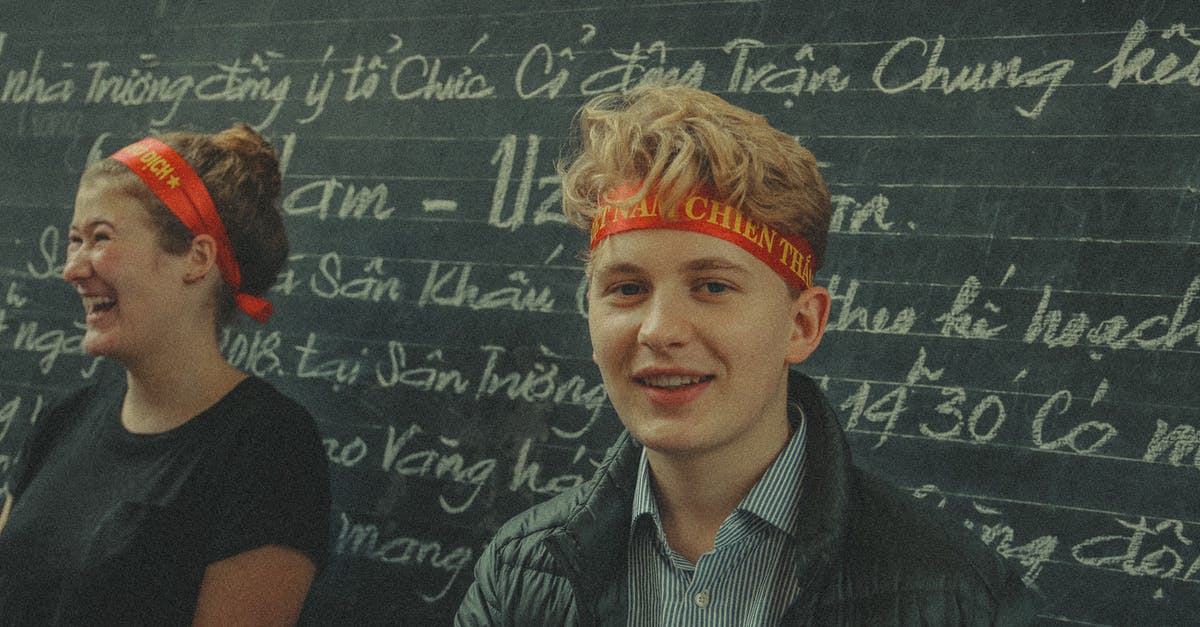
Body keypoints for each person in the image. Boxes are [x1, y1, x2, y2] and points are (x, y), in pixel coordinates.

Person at [455, 83, 1037, 625]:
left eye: (712, 286)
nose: (658, 331)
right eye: (627, 289)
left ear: (802, 324)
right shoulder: (520, 574)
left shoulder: (957, 597)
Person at [0, 124, 331, 625]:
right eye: (73, 240)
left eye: (100, 237)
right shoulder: (63, 421)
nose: (71, 268)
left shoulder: (270, 447)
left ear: (197, 259)